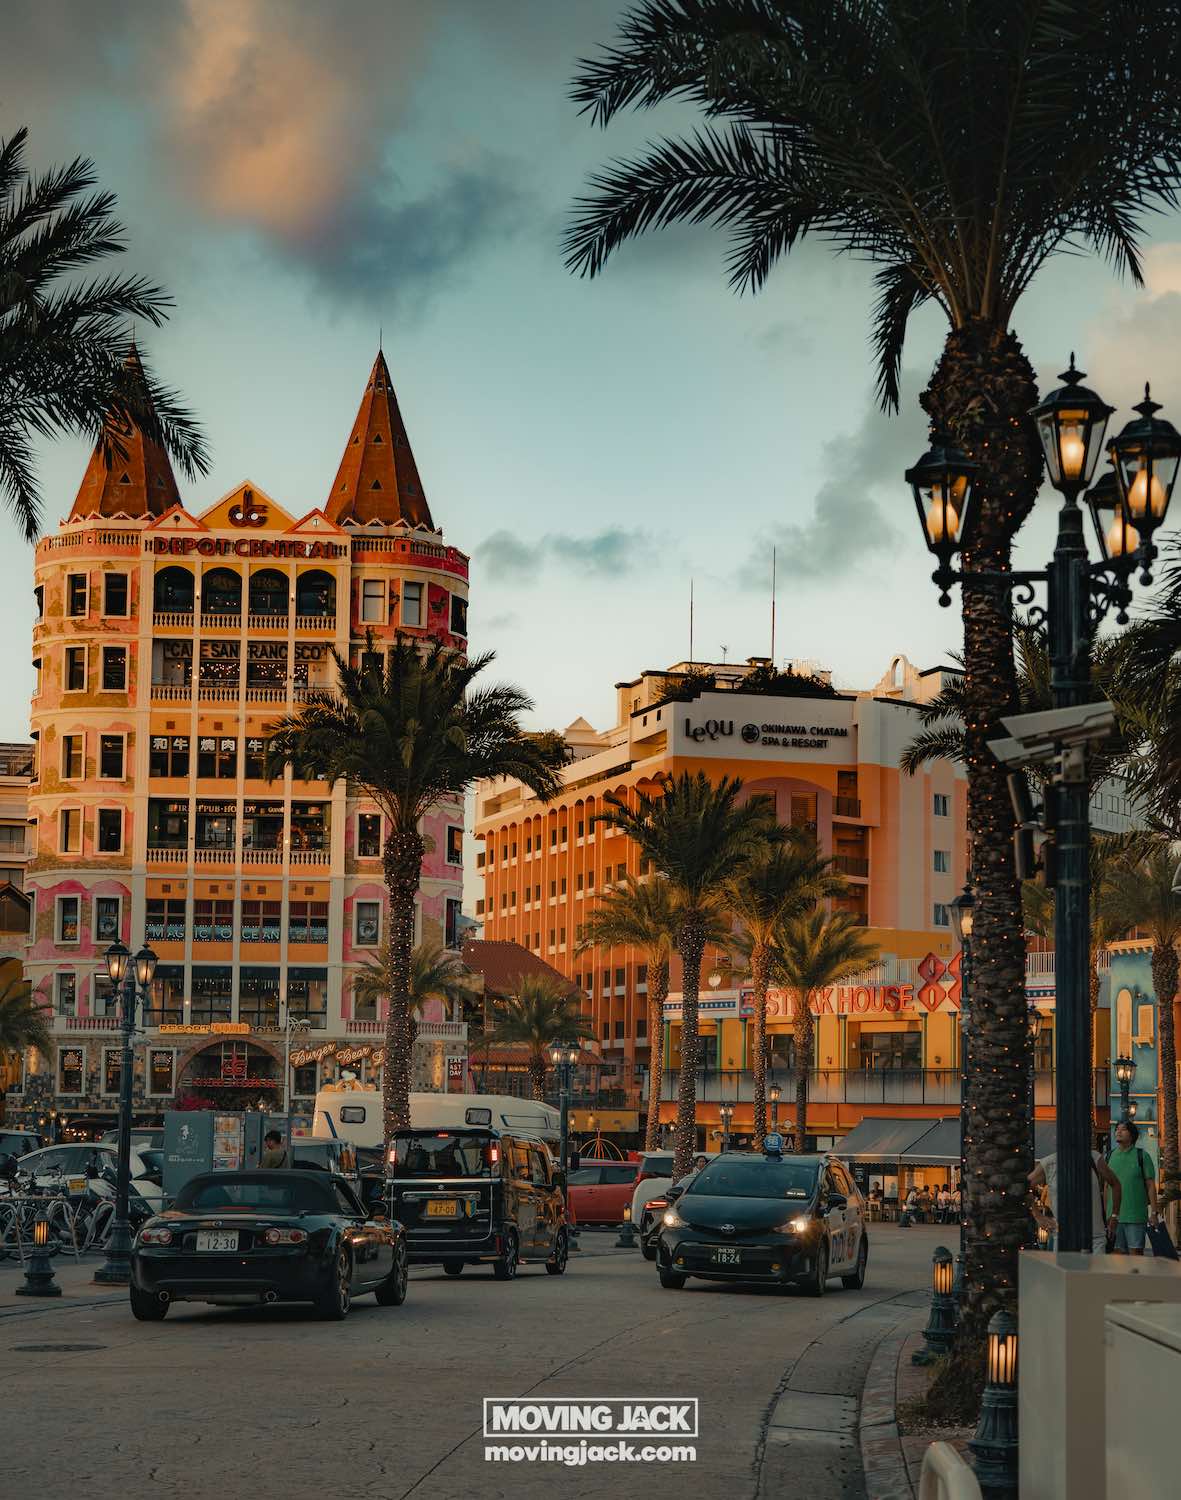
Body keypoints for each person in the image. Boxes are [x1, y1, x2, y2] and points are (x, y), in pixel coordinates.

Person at [1029, 1145, 1121, 1254]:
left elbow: (1115, 1184)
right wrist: (1037, 1215)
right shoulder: (1050, 1162)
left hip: (1095, 1238)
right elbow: (1024, 1187)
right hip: (1065, 1239)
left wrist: (1115, 1215)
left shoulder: (1093, 1157)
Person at [1106, 1119, 1158, 1256]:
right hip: (1114, 1217)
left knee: (1136, 1255)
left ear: (1132, 1135)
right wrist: (1107, 1213)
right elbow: (1106, 1187)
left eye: (1123, 1129)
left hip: (1135, 1216)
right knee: (1116, 1256)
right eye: (1117, 1129)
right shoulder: (1109, 1156)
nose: (1118, 1131)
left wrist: (1154, 1213)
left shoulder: (1142, 1156)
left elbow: (1151, 1186)